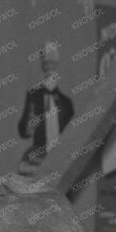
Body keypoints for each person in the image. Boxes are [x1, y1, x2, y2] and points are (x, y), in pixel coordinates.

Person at [17, 40, 73, 171]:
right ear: (42, 66)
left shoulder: (66, 102)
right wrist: (28, 126)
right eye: (46, 63)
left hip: (61, 156)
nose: (49, 67)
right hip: (39, 155)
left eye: (52, 63)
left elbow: (71, 134)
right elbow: (23, 131)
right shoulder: (33, 96)